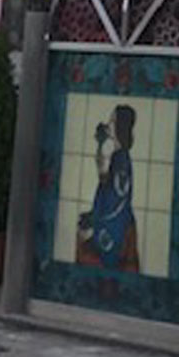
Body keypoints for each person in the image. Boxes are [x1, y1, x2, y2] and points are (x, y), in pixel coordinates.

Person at [76, 104, 140, 271]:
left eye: (112, 121)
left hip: (113, 227)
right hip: (108, 222)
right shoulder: (117, 156)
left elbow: (116, 200)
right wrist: (100, 145)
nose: (108, 124)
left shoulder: (122, 160)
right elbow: (103, 177)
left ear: (120, 127)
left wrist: (96, 218)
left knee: (103, 262)